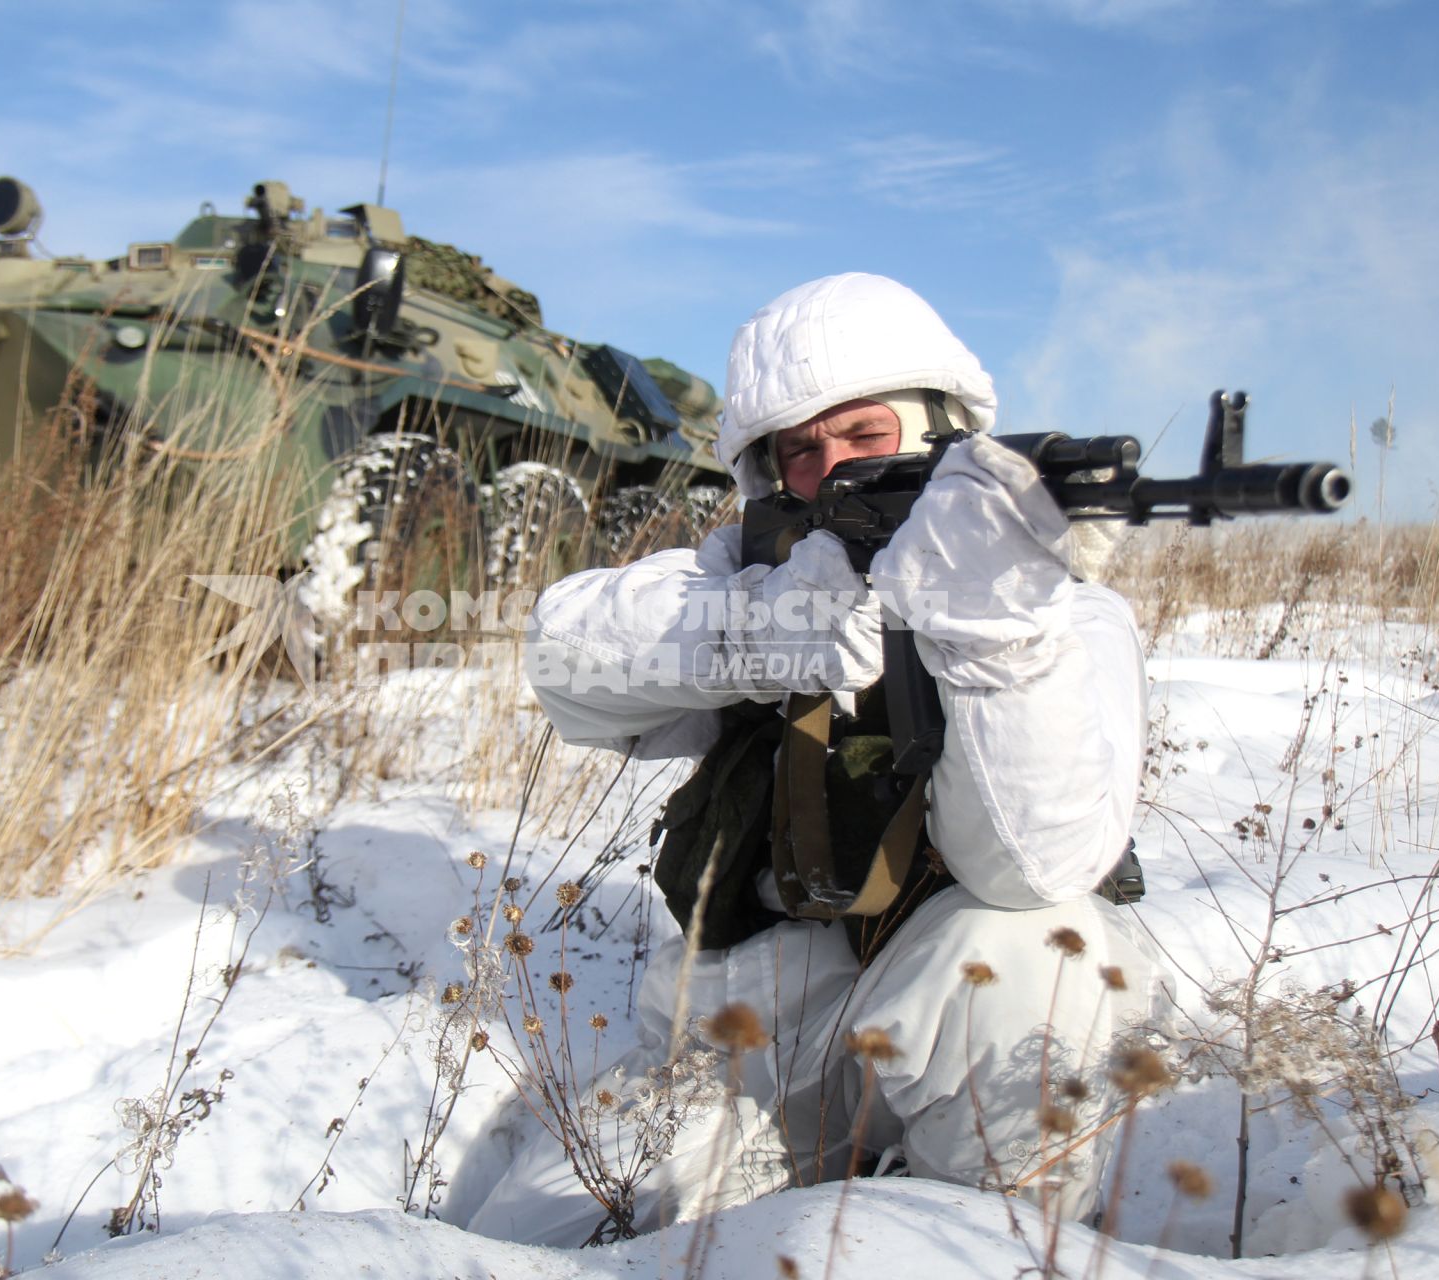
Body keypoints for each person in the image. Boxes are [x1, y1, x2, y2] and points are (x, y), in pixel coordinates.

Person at [463, 273, 1165, 1248]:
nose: (832, 469)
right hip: (742, 1049)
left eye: (865, 437)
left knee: (1039, 953)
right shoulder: (758, 569)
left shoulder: (1066, 617)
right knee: (531, 1235)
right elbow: (565, 656)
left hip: (938, 1030)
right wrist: (762, 626)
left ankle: (980, 1244)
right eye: (801, 451)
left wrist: (996, 636)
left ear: (940, 434)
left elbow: (1036, 865)